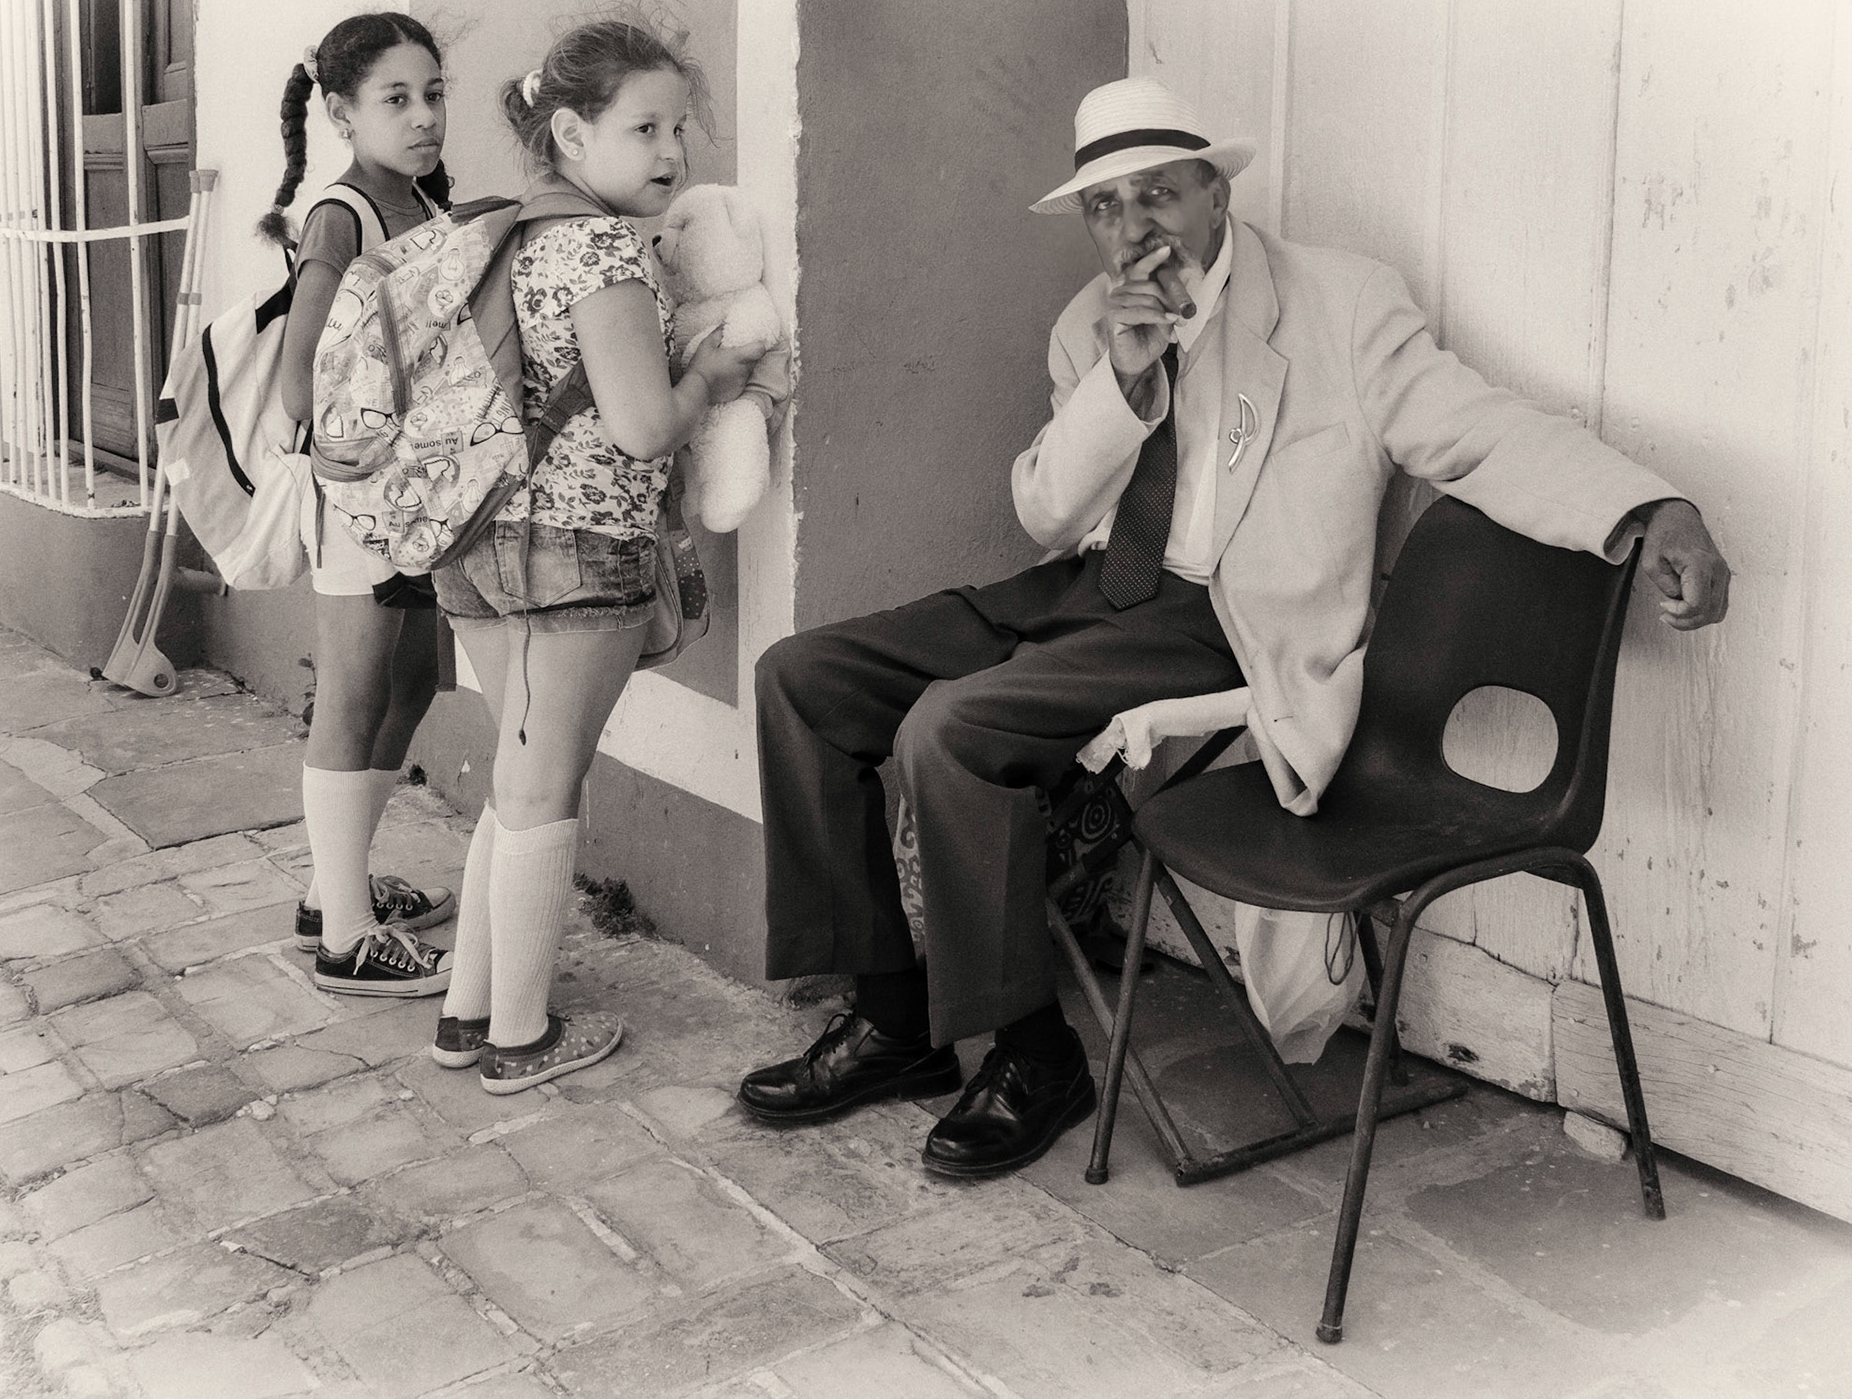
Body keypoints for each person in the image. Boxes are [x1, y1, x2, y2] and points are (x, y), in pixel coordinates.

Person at [737, 76, 1732, 1178]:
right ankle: (893, 1021)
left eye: (1157, 193)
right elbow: (1045, 513)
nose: (1132, 229)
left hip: (1224, 615)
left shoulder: (1341, 304)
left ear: (1217, 192)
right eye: (1104, 207)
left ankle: (1035, 1055)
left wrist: (1646, 507)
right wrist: (1121, 378)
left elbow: (1479, 432)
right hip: (1087, 590)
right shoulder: (1086, 326)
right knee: (801, 677)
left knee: (951, 729)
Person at [430, 13, 765, 1094]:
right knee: (545, 786)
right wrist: (712, 378)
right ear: (571, 135)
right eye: (644, 128)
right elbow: (644, 425)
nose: (672, 152)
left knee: (518, 778)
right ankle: (521, 1036)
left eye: (679, 128)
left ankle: (469, 1012)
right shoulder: (603, 249)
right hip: (575, 551)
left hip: (479, 542)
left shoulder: (515, 235)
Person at [259, 13, 460, 998]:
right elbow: (299, 382)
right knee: (351, 693)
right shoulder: (342, 214)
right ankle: (344, 935)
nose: (424, 116)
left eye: (434, 94)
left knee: (411, 679)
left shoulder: (420, 196)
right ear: (341, 112)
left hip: (417, 496)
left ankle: (329, 889)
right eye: (397, 98)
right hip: (361, 497)